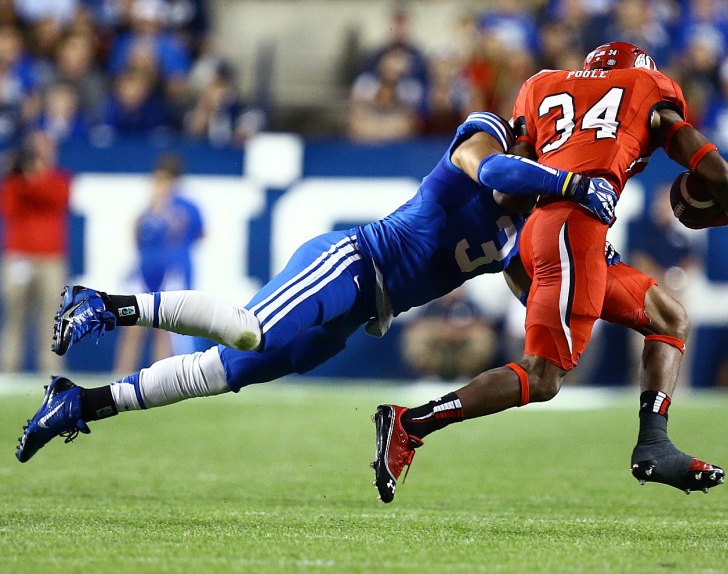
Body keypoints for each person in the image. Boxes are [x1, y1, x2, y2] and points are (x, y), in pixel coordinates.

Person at [15, 111, 618, 465]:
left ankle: (81, 402)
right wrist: (569, 185)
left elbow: (532, 286)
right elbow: (493, 170)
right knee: (252, 329)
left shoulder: (530, 221)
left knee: (227, 372)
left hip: (363, 314)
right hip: (352, 262)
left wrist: (581, 269)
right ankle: (103, 304)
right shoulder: (489, 136)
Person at [374, 42, 728, 502]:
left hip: (540, 231)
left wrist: (524, 257)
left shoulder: (541, 86)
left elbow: (511, 195)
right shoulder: (648, 88)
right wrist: (727, 212)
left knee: (669, 317)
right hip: (576, 229)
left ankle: (654, 444)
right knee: (543, 377)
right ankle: (410, 424)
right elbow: (726, 180)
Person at [114, 154, 204, 374]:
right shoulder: (147, 208)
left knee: (164, 327)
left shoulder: (184, 208)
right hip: (146, 269)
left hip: (170, 270)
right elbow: (137, 236)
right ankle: (121, 374)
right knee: (132, 325)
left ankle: (159, 377)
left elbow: (191, 233)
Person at [0, 131, 71, 374]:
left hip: (50, 258)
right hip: (19, 256)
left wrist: (30, 180)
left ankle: (51, 371)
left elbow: (55, 198)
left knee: (52, 320)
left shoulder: (60, 178)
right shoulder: (13, 182)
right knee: (14, 317)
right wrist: (19, 176)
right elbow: (8, 208)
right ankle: (8, 371)